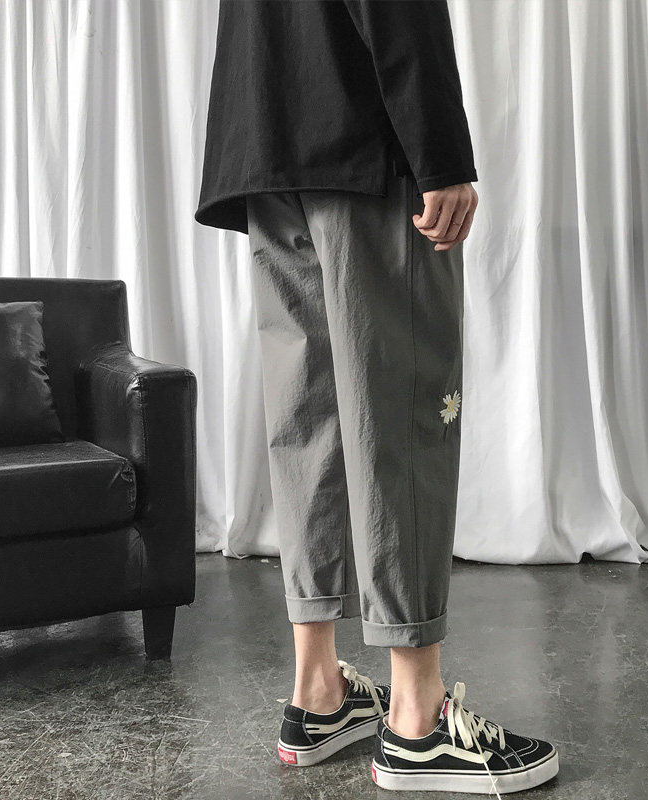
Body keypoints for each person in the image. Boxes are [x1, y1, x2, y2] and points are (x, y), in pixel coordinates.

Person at [195, 1, 558, 794]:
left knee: (310, 419)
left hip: (265, 142)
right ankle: (418, 720)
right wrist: (440, 152)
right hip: (365, 136)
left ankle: (317, 692)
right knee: (399, 413)